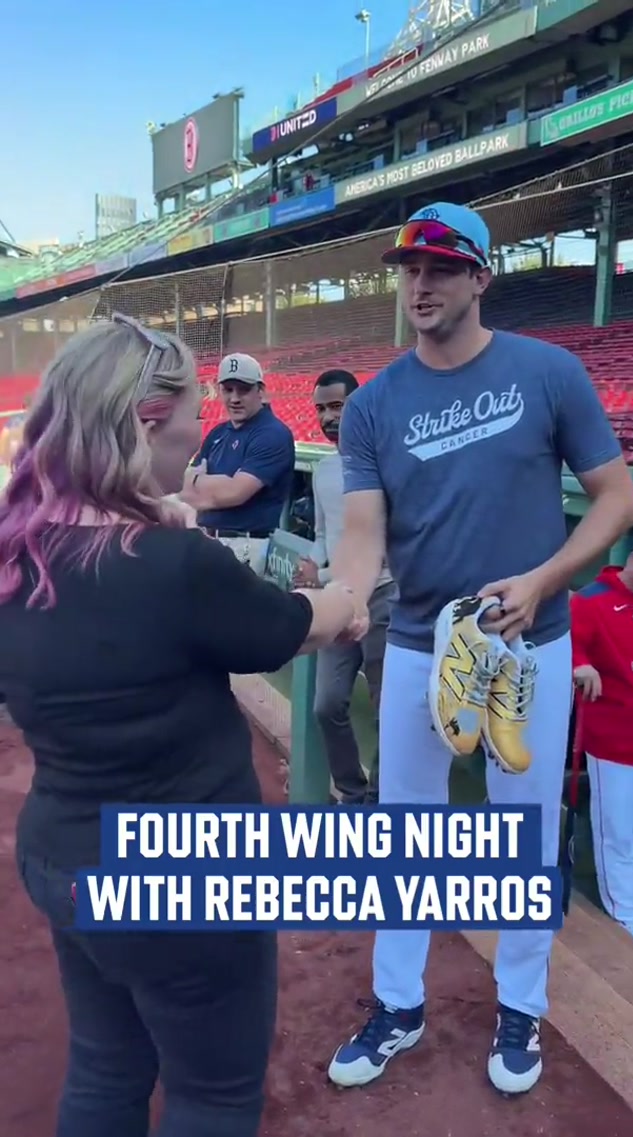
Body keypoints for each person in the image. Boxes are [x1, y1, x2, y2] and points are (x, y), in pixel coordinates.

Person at [0, 313, 356, 1137]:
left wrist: (161, 518)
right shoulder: (176, 567)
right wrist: (344, 600)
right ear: (145, 421)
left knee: (105, 1064)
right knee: (213, 1095)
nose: (197, 438)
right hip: (181, 879)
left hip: (62, 856)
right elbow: (298, 621)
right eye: (191, 415)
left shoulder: (22, 550)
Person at [324, 202, 633, 1096]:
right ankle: (398, 1003)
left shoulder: (549, 372)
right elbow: (361, 532)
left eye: (439, 268)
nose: (418, 284)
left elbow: (616, 501)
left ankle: (520, 1006)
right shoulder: (375, 405)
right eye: (408, 269)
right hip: (424, 644)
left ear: (478, 277)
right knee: (405, 828)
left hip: (529, 644)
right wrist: (345, 597)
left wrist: (545, 580)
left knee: (527, 832)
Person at [293, 369, 395, 805]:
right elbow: (322, 532)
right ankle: (352, 794)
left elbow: (386, 541)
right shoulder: (323, 469)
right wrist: (315, 561)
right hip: (341, 597)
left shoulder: (386, 461)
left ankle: (378, 799)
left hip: (387, 594)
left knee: (385, 708)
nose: (328, 416)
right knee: (327, 704)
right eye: (320, 408)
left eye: (337, 405)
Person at [570, 538, 633, 938]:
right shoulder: (591, 601)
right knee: (620, 832)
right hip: (614, 743)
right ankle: (628, 921)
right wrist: (580, 664)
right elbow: (566, 646)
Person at [181, 352, 295, 575]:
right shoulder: (218, 433)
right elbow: (184, 490)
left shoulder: (272, 433)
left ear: (260, 391)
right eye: (228, 389)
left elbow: (235, 493)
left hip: (246, 546)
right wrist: (213, 484)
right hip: (208, 539)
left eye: (243, 389)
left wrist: (199, 482)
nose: (234, 398)